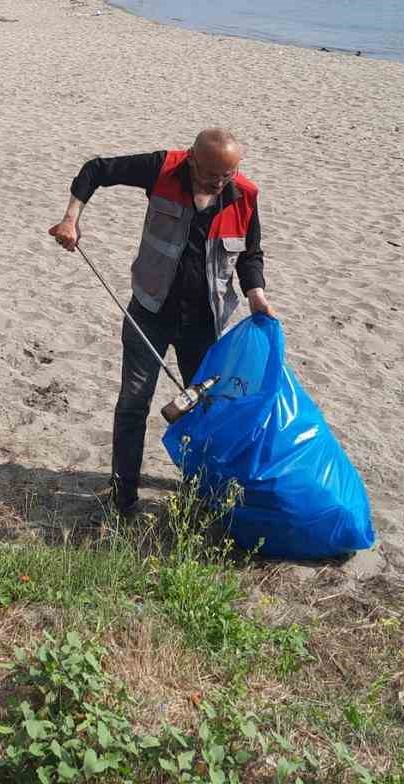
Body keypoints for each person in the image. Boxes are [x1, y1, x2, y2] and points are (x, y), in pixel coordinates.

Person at [48, 128, 274, 515]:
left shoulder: (245, 195)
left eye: (227, 176)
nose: (219, 183)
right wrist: (71, 219)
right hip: (149, 312)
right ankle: (124, 495)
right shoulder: (162, 169)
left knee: (203, 408)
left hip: (205, 323)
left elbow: (251, 254)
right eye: (211, 175)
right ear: (191, 158)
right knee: (134, 403)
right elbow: (95, 170)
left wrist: (256, 294)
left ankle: (197, 488)